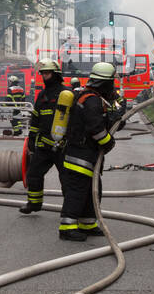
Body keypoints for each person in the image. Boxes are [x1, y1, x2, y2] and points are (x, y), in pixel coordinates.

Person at [57, 61, 119, 241]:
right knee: (77, 192)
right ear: (105, 83)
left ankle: (88, 223)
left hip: (86, 155)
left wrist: (115, 121)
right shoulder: (91, 100)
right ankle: (67, 228)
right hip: (80, 156)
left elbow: (98, 123)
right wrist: (109, 143)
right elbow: (97, 130)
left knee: (92, 190)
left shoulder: (91, 97)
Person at [19, 59, 66, 214]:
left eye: (47, 73)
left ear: (56, 74)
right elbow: (36, 118)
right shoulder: (42, 95)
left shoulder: (66, 94)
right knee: (33, 174)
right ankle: (34, 203)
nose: (45, 76)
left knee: (67, 179)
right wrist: (32, 139)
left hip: (62, 147)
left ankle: (70, 206)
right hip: (44, 146)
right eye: (43, 73)